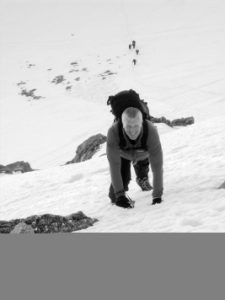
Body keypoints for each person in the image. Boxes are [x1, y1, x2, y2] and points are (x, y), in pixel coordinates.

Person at [106, 99, 163, 208]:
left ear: (141, 124)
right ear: (122, 125)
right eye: (128, 127)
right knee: (114, 197)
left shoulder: (150, 131)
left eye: (136, 126)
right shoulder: (113, 132)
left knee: (142, 155)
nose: (132, 131)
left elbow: (157, 166)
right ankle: (116, 194)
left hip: (143, 152)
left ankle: (142, 177)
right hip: (123, 153)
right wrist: (120, 195)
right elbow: (114, 166)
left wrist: (157, 196)